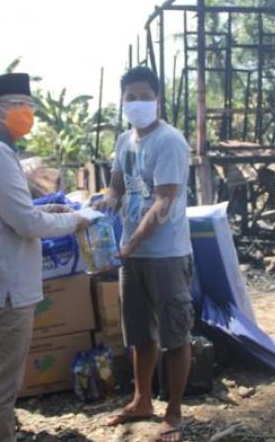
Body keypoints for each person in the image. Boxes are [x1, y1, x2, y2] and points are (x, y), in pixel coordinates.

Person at [0, 73, 90, 442]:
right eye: (19, 105)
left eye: (30, 106)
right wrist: (74, 221)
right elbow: (24, 222)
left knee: (0, 386)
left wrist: (51, 210)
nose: (27, 113)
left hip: (3, 286)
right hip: (4, 291)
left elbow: (15, 211)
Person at [95, 66, 194, 442]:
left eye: (143, 96)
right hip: (130, 254)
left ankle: (174, 411)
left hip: (166, 254)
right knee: (138, 333)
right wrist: (105, 204)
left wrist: (130, 243)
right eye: (129, 97)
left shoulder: (170, 142)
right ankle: (142, 400)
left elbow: (163, 202)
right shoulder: (124, 141)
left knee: (174, 334)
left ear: (158, 100)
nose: (136, 103)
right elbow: (117, 184)